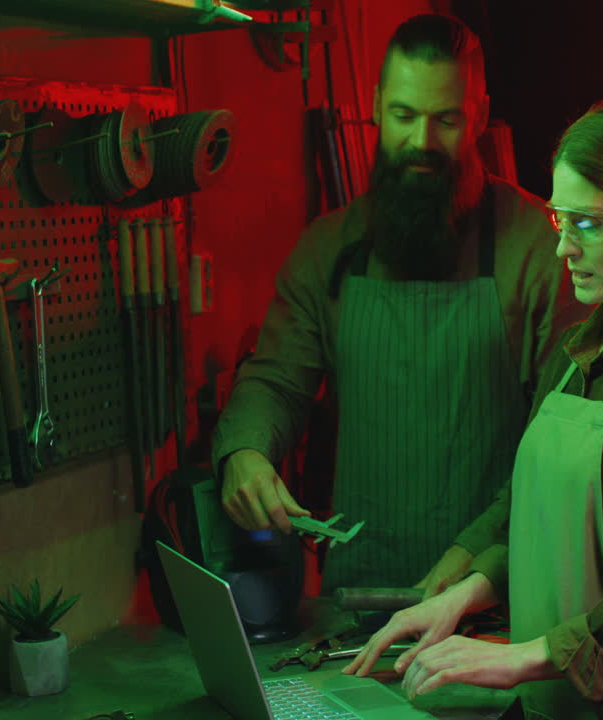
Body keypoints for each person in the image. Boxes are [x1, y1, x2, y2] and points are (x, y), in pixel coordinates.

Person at [344, 97, 603, 720]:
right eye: (558, 221)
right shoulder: (578, 361)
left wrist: (520, 656)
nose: (562, 248)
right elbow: (543, 525)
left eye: (587, 224)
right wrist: (464, 594)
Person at [211, 14, 575, 594]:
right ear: (377, 106)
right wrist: (247, 450)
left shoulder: (541, 251)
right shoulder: (328, 248)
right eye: (404, 116)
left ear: (478, 114)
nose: (421, 144)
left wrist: (477, 556)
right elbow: (277, 378)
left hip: (493, 607)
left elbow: (564, 447)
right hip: (358, 603)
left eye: (446, 120)